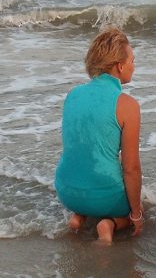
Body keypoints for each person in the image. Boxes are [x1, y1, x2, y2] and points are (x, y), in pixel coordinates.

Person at [54, 27, 144, 242]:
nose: (134, 65)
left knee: (91, 159)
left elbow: (79, 147)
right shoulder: (127, 105)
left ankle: (78, 217)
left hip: (66, 191)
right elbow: (131, 169)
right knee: (138, 206)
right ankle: (110, 224)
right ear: (120, 66)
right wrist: (137, 214)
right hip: (105, 197)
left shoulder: (73, 94)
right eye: (132, 60)